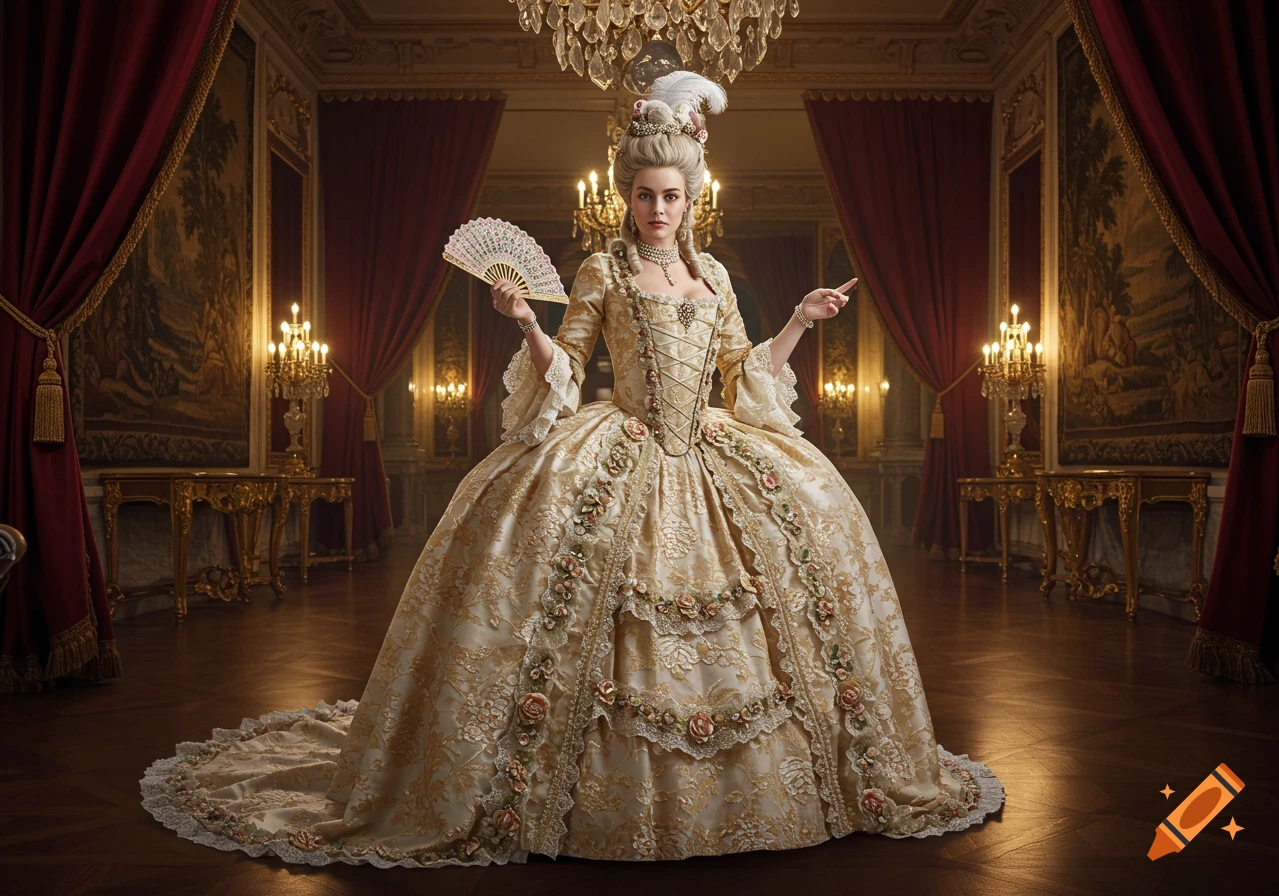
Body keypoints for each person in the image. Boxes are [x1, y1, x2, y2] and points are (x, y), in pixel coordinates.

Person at [142, 71, 1004, 868]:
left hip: (710, 450)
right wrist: (526, 321)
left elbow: (744, 376)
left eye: (670, 196)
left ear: (691, 199)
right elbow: (571, 360)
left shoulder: (714, 276)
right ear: (626, 196)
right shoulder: (603, 268)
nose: (657, 209)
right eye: (644, 194)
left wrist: (801, 321)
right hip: (621, 440)